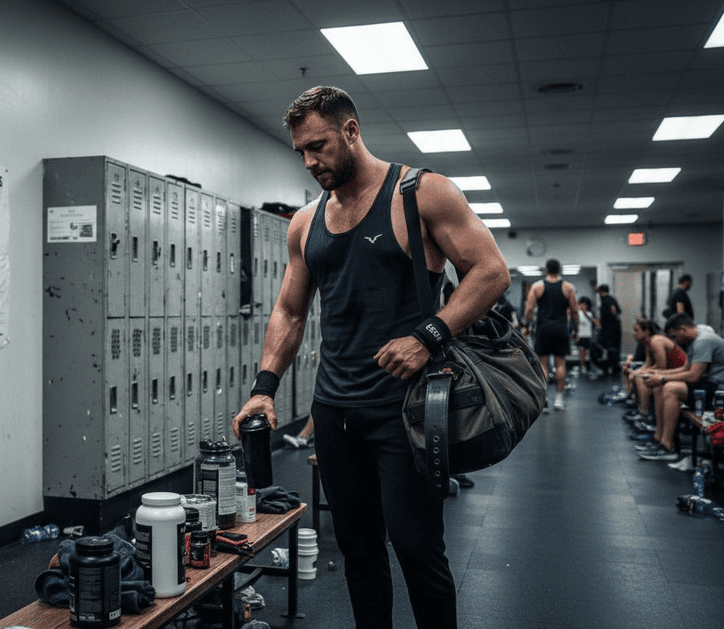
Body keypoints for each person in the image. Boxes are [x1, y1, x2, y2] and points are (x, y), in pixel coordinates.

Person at [231, 85, 509, 629]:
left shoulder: (421, 194)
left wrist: (428, 335)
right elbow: (289, 310)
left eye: (318, 146)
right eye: (301, 152)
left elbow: (492, 271)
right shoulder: (305, 222)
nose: (309, 161)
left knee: (418, 550)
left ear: (351, 131)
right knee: (357, 551)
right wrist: (264, 387)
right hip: (335, 411)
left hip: (407, 410)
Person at [638, 314, 724, 461]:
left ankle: (668, 447)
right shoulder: (696, 338)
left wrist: (663, 378)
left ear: (682, 329)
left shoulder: (703, 341)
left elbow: (693, 376)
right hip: (711, 385)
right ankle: (659, 438)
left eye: (674, 337)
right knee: (660, 387)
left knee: (671, 388)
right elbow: (686, 368)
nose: (675, 342)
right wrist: (659, 374)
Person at [523, 259, 578, 411]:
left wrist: (526, 326)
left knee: (543, 364)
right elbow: (574, 310)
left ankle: (545, 399)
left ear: (546, 270)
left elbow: (529, 309)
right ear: (559, 270)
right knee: (560, 364)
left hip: (543, 329)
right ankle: (559, 400)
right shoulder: (568, 287)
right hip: (561, 329)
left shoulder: (537, 287)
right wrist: (576, 329)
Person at [624, 319, 687, 434]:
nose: (634, 333)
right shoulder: (648, 343)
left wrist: (640, 373)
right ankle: (642, 411)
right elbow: (648, 365)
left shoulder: (656, 341)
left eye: (637, 330)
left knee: (641, 378)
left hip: (678, 374)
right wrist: (637, 371)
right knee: (637, 374)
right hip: (669, 372)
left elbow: (661, 366)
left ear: (646, 332)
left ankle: (645, 415)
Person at [596, 284, 623, 375]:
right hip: (612, 327)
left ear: (602, 291)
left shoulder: (607, 300)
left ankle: (609, 367)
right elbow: (617, 311)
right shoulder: (611, 299)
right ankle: (613, 367)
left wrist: (612, 317)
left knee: (609, 347)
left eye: (599, 292)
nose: (599, 294)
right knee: (613, 347)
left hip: (610, 329)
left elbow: (613, 310)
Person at [576, 296, 597, 375]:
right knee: (581, 353)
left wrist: (586, 314)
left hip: (588, 336)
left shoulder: (590, 313)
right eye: (581, 304)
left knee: (589, 353)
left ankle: (590, 367)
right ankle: (582, 366)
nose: (582, 306)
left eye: (584, 304)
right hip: (581, 335)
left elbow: (595, 322)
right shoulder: (578, 314)